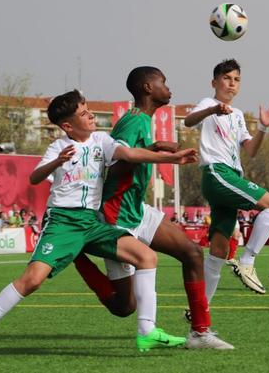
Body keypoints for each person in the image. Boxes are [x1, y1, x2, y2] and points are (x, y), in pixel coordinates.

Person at [0, 89, 195, 350]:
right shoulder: (58, 147)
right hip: (63, 223)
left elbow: (130, 155)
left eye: (88, 108)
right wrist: (56, 162)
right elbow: (34, 178)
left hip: (93, 223)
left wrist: (169, 158)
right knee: (32, 281)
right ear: (68, 126)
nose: (91, 114)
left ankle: (147, 330)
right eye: (83, 113)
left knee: (147, 257)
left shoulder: (101, 140)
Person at [75, 67, 233, 349]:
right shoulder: (132, 122)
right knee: (124, 307)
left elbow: (133, 155)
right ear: (148, 88)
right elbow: (116, 161)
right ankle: (78, 254)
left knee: (192, 253)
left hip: (137, 210)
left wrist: (154, 145)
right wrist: (158, 151)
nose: (168, 88)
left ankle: (200, 333)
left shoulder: (143, 122)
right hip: (116, 217)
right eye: (164, 82)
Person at [184, 59, 269, 296]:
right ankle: (247, 261)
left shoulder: (237, 114)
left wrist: (263, 127)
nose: (232, 83)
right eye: (227, 78)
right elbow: (188, 121)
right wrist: (212, 110)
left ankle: (199, 313)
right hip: (217, 173)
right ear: (214, 82)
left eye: (236, 79)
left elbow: (251, 150)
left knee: (218, 249)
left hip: (229, 176)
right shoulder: (208, 103)